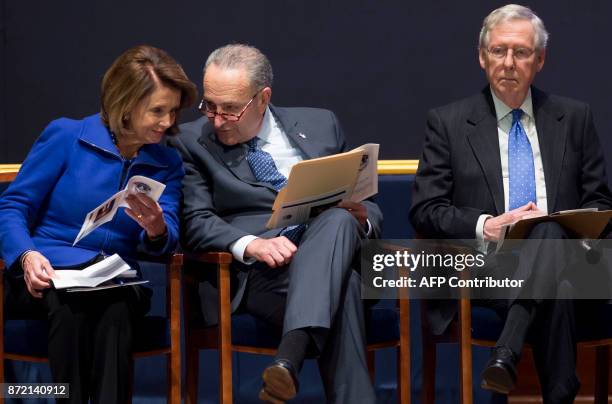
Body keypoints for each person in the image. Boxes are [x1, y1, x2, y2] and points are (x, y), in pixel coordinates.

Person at [409, 4, 612, 403]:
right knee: (560, 287)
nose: (508, 62)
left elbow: (600, 201)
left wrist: (571, 227)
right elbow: (426, 208)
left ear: (539, 60)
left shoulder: (574, 118)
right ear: (482, 57)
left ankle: (508, 352)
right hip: (487, 268)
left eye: (520, 52)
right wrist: (486, 225)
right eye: (499, 51)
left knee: (550, 232)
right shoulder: (448, 123)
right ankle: (561, 389)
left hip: (569, 259)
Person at [168, 44, 382, 404]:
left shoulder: (320, 123)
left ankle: (288, 359)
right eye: (210, 106)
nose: (218, 119)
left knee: (337, 218)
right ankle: (291, 359)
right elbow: (196, 221)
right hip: (263, 275)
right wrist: (251, 244)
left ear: (263, 98)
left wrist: (363, 220)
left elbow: (369, 207)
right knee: (344, 289)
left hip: (332, 250)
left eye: (231, 109)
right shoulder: (189, 142)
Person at [0, 45, 197, 403]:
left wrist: (157, 227)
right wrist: (27, 256)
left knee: (116, 302)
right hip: (45, 275)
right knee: (70, 302)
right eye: (157, 110)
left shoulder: (166, 162)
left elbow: (166, 241)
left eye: (172, 111)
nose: (168, 122)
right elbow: (13, 206)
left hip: (116, 278)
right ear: (126, 101)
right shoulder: (66, 136)